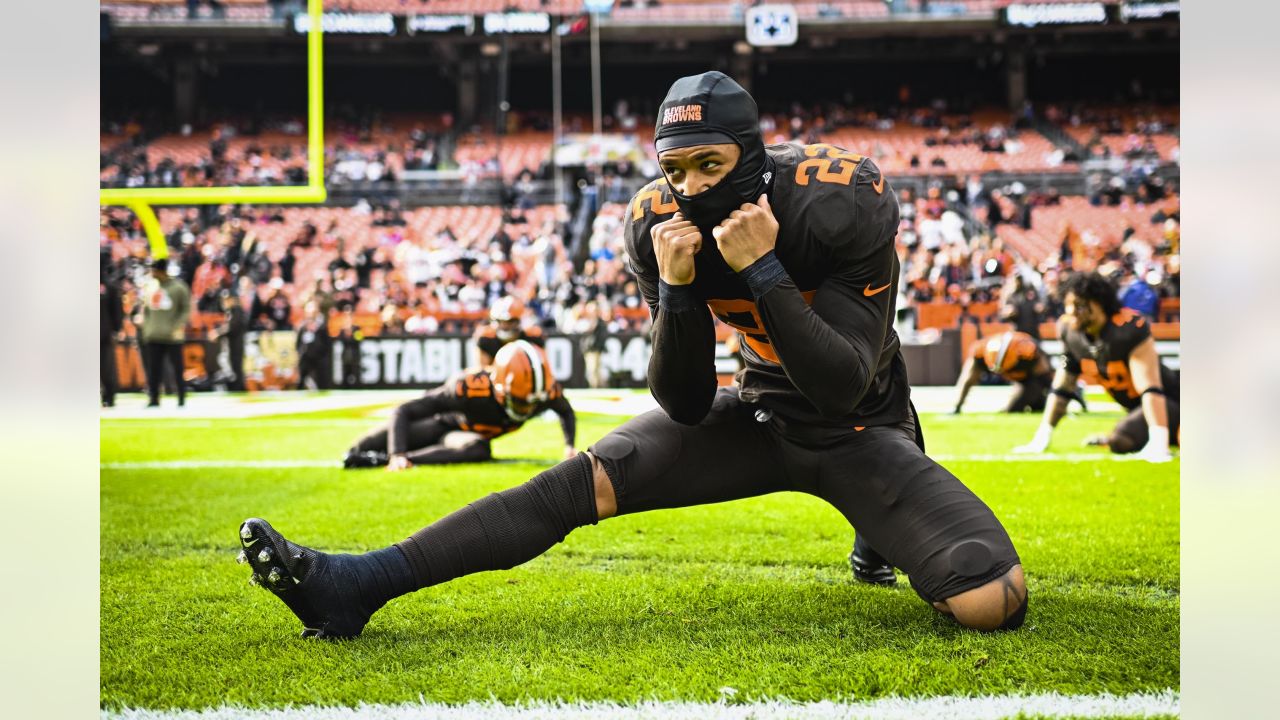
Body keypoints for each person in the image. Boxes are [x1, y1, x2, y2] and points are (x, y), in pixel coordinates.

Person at [238, 71, 1025, 639]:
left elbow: (844, 386)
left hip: (859, 426)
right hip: (754, 411)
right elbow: (681, 404)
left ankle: (874, 536)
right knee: (577, 483)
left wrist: (763, 268)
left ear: (752, 160)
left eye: (710, 166)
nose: (689, 189)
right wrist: (680, 292)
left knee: (991, 603)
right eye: (673, 169)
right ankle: (356, 585)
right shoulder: (654, 220)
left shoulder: (834, 201)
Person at [1014, 271, 1178, 461]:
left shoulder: (1127, 329)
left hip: (1173, 402)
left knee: (1122, 437)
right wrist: (1042, 437)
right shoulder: (1071, 332)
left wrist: (1159, 441)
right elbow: (1061, 390)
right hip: (1138, 410)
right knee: (1123, 438)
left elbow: (1150, 388)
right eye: (1068, 305)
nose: (1071, 311)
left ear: (1100, 304)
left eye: (1079, 305)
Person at [342, 341, 576, 470]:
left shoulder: (543, 390)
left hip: (462, 438)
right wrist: (397, 452)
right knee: (357, 449)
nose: (526, 409)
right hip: (439, 425)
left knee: (479, 449)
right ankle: (395, 456)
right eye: (518, 401)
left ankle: (397, 460)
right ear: (498, 386)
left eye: (531, 403)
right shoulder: (469, 387)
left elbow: (566, 412)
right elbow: (403, 410)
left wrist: (569, 446)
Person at [951, 330, 1084, 414]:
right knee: (1023, 406)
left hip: (1030, 378)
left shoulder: (1027, 352)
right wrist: (957, 407)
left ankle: (1074, 391)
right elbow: (967, 380)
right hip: (1017, 372)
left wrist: (1070, 396)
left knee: (1017, 407)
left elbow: (1047, 378)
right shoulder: (979, 351)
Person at [137, 257, 191, 408]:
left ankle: (181, 397)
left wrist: (177, 326)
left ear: (162, 271)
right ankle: (153, 398)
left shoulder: (179, 287)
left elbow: (185, 309)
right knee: (153, 370)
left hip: (173, 336)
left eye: (154, 270)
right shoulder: (150, 287)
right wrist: (146, 327)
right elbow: (145, 309)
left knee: (177, 368)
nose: (152, 273)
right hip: (154, 334)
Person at [472, 295, 544, 368]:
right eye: (500, 321)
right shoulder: (486, 338)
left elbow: (542, 368)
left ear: (519, 321)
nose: (505, 326)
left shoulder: (533, 337)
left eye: (510, 321)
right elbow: (483, 372)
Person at [100, 265, 124, 407]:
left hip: (103, 334)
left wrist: (117, 328)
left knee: (106, 367)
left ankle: (109, 395)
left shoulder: (109, 287)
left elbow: (117, 310)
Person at [295, 301, 332, 390]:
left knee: (322, 381)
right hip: (306, 356)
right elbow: (298, 342)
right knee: (301, 379)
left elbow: (326, 342)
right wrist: (301, 352)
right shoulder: (303, 326)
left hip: (319, 357)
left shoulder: (322, 325)